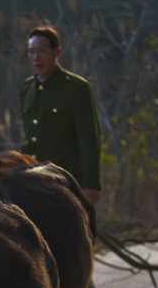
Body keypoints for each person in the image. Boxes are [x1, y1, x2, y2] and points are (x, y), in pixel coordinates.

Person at [19, 25, 102, 207]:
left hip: (65, 181)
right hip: (32, 179)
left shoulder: (76, 89)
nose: (36, 57)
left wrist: (91, 186)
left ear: (56, 52)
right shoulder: (27, 89)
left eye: (42, 51)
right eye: (31, 52)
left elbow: (89, 141)